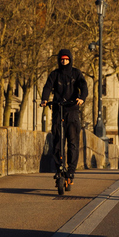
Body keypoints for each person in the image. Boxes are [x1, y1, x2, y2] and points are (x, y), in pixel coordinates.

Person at [41, 49, 88, 187]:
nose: (64, 62)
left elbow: (83, 86)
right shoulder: (54, 74)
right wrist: (45, 99)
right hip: (58, 110)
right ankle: (59, 168)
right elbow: (47, 87)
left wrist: (82, 98)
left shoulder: (76, 73)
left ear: (70, 60)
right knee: (57, 142)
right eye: (62, 60)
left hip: (72, 111)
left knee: (72, 143)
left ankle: (71, 171)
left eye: (66, 60)